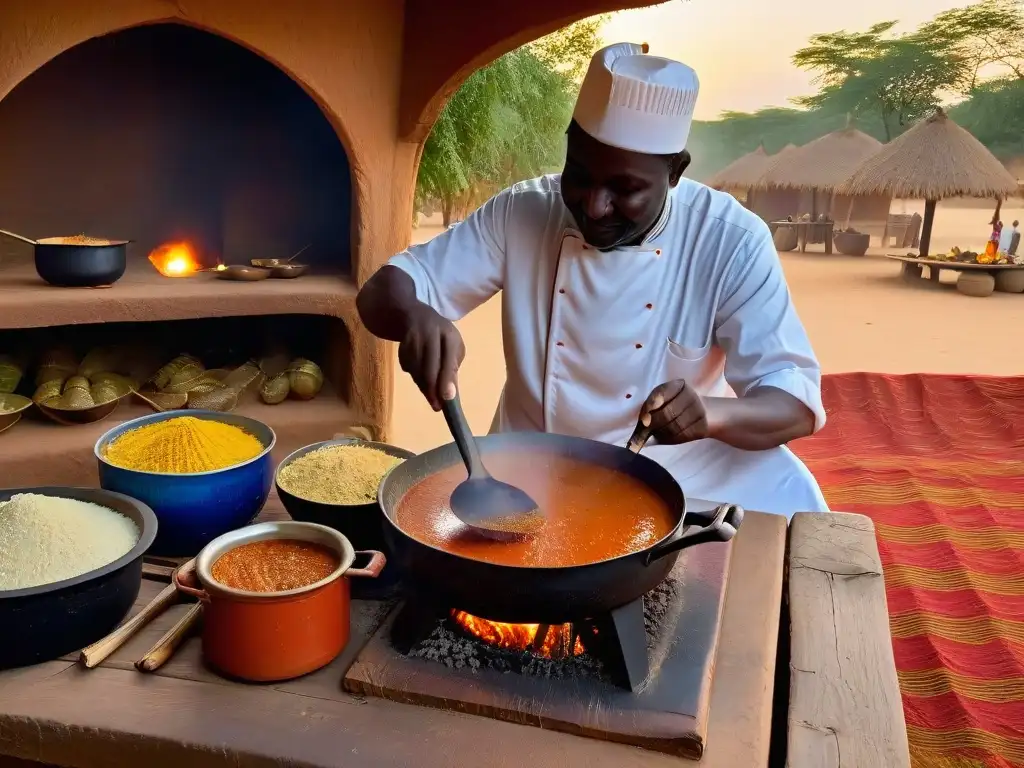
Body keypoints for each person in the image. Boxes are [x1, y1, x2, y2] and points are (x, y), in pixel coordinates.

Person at [357, 43, 828, 518]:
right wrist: (415, 314)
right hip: (528, 473)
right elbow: (381, 291)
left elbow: (793, 401)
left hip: (684, 476)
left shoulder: (730, 239)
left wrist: (712, 414)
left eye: (624, 189)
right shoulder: (523, 212)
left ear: (675, 172)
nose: (593, 206)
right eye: (579, 175)